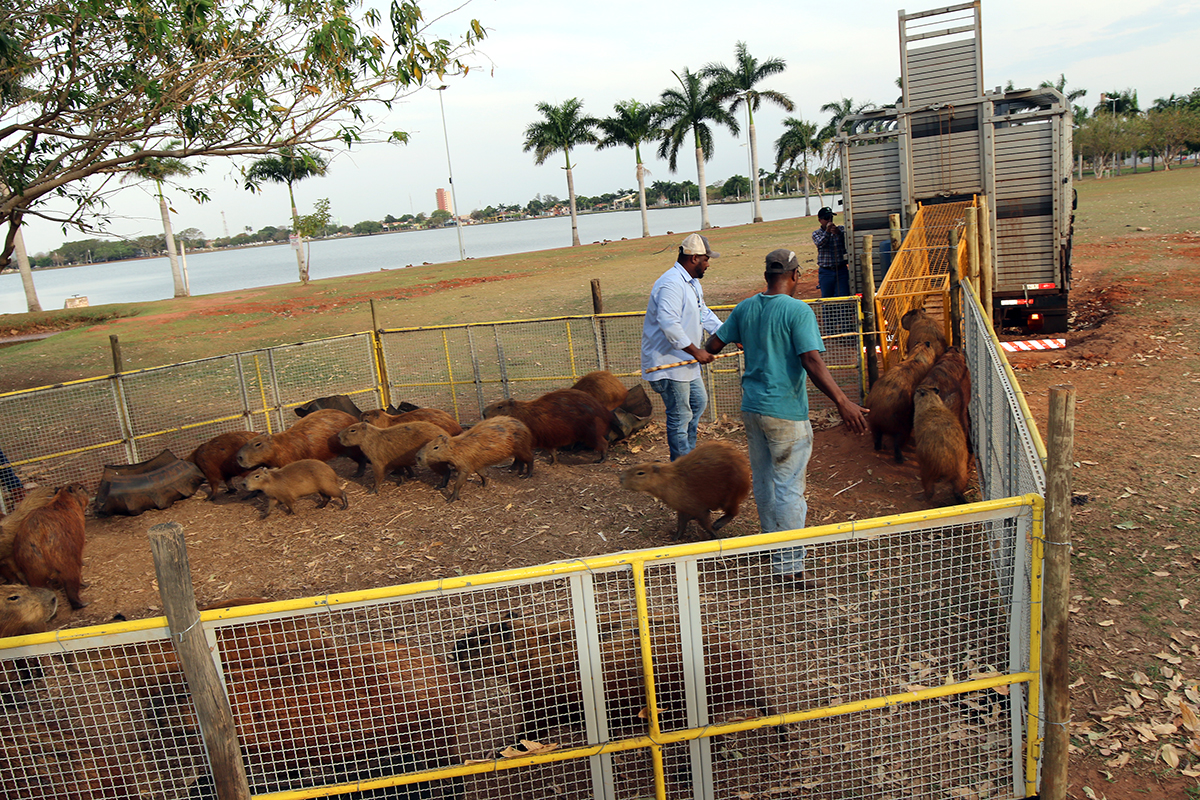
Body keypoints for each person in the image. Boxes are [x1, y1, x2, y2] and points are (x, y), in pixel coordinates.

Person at [705, 248, 868, 580]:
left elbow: (712, 346)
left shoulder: (746, 307)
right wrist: (842, 401)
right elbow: (810, 360)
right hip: (785, 413)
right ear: (795, 275)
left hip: (752, 409)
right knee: (789, 486)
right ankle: (789, 565)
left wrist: (742, 341)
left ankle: (772, 547)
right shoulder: (797, 311)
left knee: (765, 481)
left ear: (767, 276)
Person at [641, 233, 724, 461]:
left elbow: (703, 313)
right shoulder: (671, 284)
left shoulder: (692, 283)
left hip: (685, 362)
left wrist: (726, 334)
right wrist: (697, 351)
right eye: (706, 259)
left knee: (698, 402)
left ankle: (688, 454)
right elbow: (669, 324)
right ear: (694, 258)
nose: (708, 264)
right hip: (668, 363)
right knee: (680, 414)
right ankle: (682, 468)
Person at [812, 207, 849, 298]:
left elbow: (847, 242)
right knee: (827, 299)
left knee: (843, 297)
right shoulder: (816, 233)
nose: (829, 220)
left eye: (830, 218)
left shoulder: (840, 229)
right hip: (826, 271)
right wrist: (828, 232)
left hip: (841, 270)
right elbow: (821, 244)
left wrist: (839, 233)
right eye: (826, 218)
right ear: (820, 220)